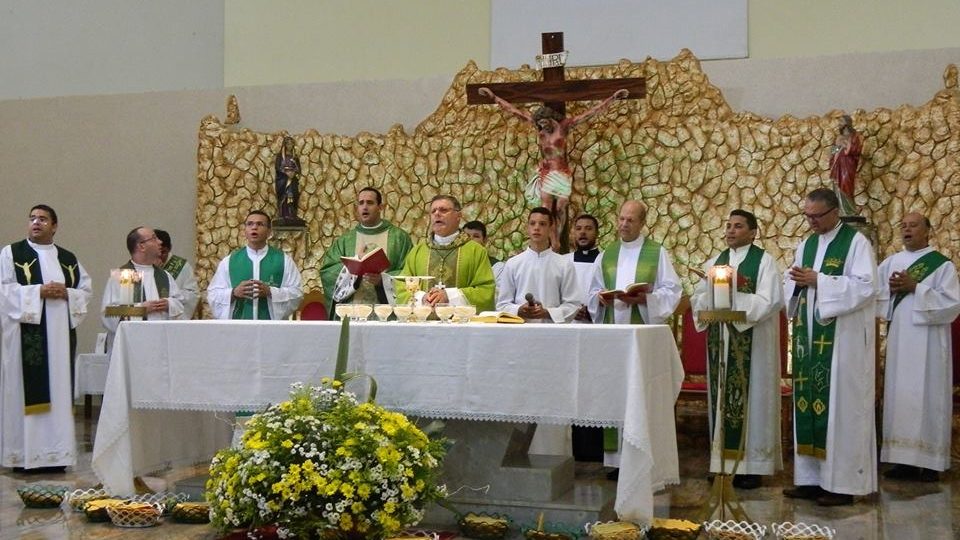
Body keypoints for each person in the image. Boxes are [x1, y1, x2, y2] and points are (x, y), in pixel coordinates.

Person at [783, 187, 878, 506]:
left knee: (840, 408)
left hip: (842, 344)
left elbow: (866, 287)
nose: (811, 222)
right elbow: (794, 284)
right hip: (809, 342)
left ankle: (842, 486)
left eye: (817, 216)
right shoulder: (807, 244)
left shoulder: (856, 243)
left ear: (835, 212)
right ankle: (810, 480)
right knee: (808, 405)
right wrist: (796, 281)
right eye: (807, 215)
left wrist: (819, 281)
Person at [691, 210, 784, 489]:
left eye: (738, 226)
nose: (731, 231)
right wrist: (708, 298)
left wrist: (731, 299)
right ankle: (721, 463)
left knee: (753, 400)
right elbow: (697, 296)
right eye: (728, 225)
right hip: (721, 341)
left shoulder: (764, 262)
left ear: (753, 232)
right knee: (722, 402)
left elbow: (771, 301)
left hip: (752, 344)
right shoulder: (716, 261)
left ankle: (752, 467)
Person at [590, 200, 683, 473]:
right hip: (613, 337)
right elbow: (593, 290)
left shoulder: (657, 252)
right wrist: (600, 300)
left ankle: (641, 459)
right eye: (621, 219)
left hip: (642, 337)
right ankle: (617, 461)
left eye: (630, 220)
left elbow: (673, 291)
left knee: (640, 393)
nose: (623, 224)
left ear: (643, 223)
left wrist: (646, 299)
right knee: (616, 392)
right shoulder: (607, 253)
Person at [0, 204, 93, 472]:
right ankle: (24, 457)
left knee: (59, 390)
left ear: (54, 226)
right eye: (32, 218)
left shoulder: (67, 258)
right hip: (25, 337)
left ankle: (57, 456)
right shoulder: (11, 254)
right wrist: (38, 291)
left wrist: (67, 294)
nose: (36, 223)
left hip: (60, 340)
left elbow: (84, 291)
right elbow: (4, 291)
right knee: (26, 391)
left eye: (42, 219)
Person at [478, 86, 629, 247]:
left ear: (551, 118)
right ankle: (554, 243)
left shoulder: (563, 126)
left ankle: (558, 239)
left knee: (562, 206)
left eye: (545, 123)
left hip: (562, 172)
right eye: (540, 124)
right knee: (546, 209)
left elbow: (590, 113)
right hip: (547, 172)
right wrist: (493, 97)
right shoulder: (540, 128)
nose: (543, 127)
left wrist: (613, 97)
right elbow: (515, 112)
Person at [877, 212, 960, 482]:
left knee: (929, 395)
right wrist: (889, 293)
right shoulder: (891, 263)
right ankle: (904, 461)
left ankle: (931, 462)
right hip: (901, 339)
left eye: (913, 225)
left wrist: (917, 287)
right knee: (901, 396)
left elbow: (951, 304)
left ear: (928, 231)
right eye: (903, 226)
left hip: (930, 343)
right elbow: (874, 295)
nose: (907, 230)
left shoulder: (941, 265)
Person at [318, 187, 413, 316]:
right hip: (352, 314)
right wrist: (354, 270)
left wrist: (383, 281)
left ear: (380, 207)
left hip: (387, 316)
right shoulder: (346, 240)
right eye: (361, 203)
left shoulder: (399, 238)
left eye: (370, 202)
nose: (365, 207)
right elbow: (327, 272)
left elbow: (409, 273)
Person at [396, 195, 495, 311]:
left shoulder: (476, 251)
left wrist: (449, 296)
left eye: (443, 210)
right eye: (433, 211)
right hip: (423, 323)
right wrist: (422, 297)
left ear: (458, 216)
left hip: (462, 325)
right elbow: (402, 285)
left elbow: (485, 290)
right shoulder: (418, 252)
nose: (437, 214)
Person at [207, 210, 303, 320]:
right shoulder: (229, 262)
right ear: (245, 231)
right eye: (250, 224)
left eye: (260, 224)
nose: (254, 227)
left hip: (271, 329)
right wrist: (233, 293)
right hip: (239, 328)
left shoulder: (284, 260)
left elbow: (297, 293)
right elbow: (213, 295)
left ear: (269, 232)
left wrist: (271, 292)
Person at [101, 227, 185, 351]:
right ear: (142, 246)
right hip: (132, 347)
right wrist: (140, 310)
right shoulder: (124, 275)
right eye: (154, 238)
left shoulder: (164, 276)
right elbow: (108, 314)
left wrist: (169, 304)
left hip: (161, 345)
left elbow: (180, 303)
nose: (160, 242)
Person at [497, 207, 583, 323]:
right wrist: (519, 310)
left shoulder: (564, 265)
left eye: (542, 224)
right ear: (527, 227)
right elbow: (502, 305)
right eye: (532, 223)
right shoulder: (513, 264)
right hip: (520, 331)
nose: (536, 228)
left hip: (552, 332)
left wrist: (548, 313)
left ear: (551, 228)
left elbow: (573, 304)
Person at [564, 214, 602, 323]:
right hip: (568, 324)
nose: (583, 232)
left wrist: (592, 311)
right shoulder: (563, 262)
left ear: (597, 233)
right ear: (574, 233)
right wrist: (570, 310)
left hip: (596, 324)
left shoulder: (605, 261)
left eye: (588, 228)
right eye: (578, 228)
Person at [155, 229, 199, 319]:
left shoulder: (181, 266)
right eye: (157, 252)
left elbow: (193, 294)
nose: (160, 255)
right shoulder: (146, 265)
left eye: (163, 252)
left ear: (170, 248)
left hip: (172, 315)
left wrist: (173, 298)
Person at [829, 115, 862, 216]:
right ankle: (841, 211)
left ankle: (850, 211)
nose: (839, 124)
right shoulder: (838, 137)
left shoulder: (854, 137)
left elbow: (856, 150)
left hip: (848, 165)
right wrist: (838, 147)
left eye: (841, 122)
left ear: (847, 123)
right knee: (837, 186)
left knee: (847, 186)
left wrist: (847, 146)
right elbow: (833, 151)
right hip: (838, 165)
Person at [463, 220, 505, 285]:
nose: (470, 240)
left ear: (485, 240)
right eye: (467, 236)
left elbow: (498, 292)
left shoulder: (497, 267)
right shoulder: (455, 264)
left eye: (476, 236)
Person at [274, 136, 304, 225]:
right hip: (283, 179)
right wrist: (286, 173)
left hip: (293, 180)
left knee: (293, 195)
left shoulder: (295, 157)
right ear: (285, 145)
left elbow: (298, 169)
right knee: (285, 196)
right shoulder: (280, 156)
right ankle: (284, 214)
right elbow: (278, 167)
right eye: (288, 144)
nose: (289, 145)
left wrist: (293, 173)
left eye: (291, 144)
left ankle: (292, 214)